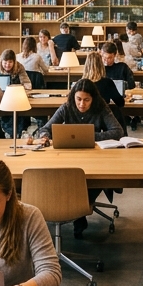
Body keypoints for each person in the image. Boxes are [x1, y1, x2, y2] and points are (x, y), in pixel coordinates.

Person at [32, 80, 124, 236]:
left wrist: (90, 136)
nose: (82, 104)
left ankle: (79, 210)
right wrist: (45, 136)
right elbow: (46, 128)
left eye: (86, 100)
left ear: (93, 99)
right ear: (73, 97)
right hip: (68, 157)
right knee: (62, 175)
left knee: (97, 177)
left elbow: (117, 131)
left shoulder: (101, 107)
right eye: (79, 99)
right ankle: (75, 210)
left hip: (94, 158)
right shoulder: (67, 106)